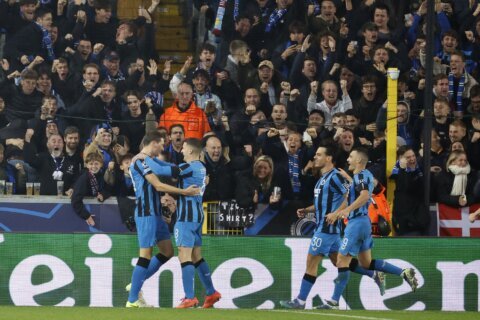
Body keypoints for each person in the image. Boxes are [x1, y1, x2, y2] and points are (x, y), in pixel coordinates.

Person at [279, 146, 385, 309]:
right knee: (340, 262)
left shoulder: (335, 176)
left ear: (328, 158)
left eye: (319, 155)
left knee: (311, 263)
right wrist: (307, 209)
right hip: (329, 229)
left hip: (326, 229)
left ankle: (300, 301)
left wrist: (337, 213)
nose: (315, 157)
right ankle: (374, 274)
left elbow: (349, 196)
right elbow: (322, 203)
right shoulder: (322, 178)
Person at [319, 148, 418, 309]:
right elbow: (352, 197)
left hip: (356, 224)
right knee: (366, 263)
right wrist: (337, 213)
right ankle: (403, 272)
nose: (348, 160)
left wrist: (347, 211)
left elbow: (365, 195)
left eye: (351, 157)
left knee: (341, 261)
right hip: (362, 224)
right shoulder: (360, 178)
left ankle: (334, 301)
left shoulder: (362, 176)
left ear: (359, 161)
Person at [126, 131, 200, 308]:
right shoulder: (139, 161)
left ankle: (136, 285)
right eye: (161, 144)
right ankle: (132, 299)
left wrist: (194, 168)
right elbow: (158, 184)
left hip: (155, 212)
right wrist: (185, 192)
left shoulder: (149, 160)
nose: (163, 147)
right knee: (145, 254)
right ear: (152, 143)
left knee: (167, 251)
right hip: (146, 213)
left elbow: (168, 168)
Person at [175, 138, 221, 309]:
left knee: (184, 254)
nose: (181, 151)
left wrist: (147, 160)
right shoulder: (202, 167)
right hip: (197, 215)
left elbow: (165, 170)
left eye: (184, 148)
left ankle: (189, 297)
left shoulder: (189, 166)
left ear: (191, 151)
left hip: (186, 216)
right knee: (196, 256)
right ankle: (211, 292)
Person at [71, 151, 110, 226]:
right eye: (91, 164)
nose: (94, 166)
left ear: (101, 164)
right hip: (85, 214)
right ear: (87, 165)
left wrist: (103, 195)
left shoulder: (103, 175)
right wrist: (87, 216)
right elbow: (75, 200)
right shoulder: (84, 178)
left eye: (96, 163)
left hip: (100, 211)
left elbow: (109, 190)